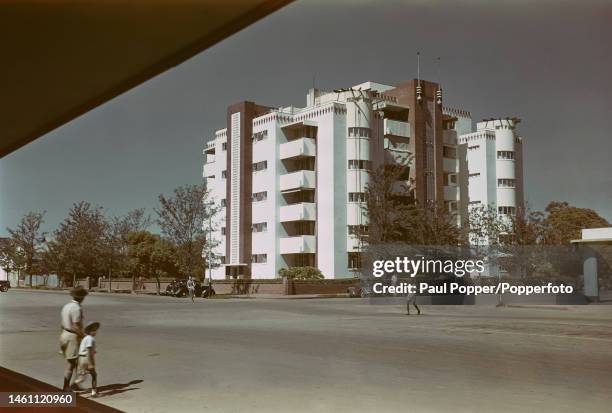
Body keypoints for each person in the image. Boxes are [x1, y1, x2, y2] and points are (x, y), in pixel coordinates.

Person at [59, 285, 87, 391]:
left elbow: (62, 324)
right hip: (72, 337)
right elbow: (75, 326)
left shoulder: (66, 306)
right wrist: (84, 337)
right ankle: (66, 387)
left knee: (76, 362)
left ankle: (76, 384)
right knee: (71, 364)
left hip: (64, 335)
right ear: (81, 297)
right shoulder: (76, 308)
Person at [74, 322, 100, 397]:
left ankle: (73, 388)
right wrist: (91, 363)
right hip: (86, 359)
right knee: (94, 375)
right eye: (94, 330)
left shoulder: (86, 338)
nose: (95, 332)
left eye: (96, 330)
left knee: (82, 377)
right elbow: (88, 352)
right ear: (89, 331)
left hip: (82, 358)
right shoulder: (90, 339)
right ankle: (94, 393)